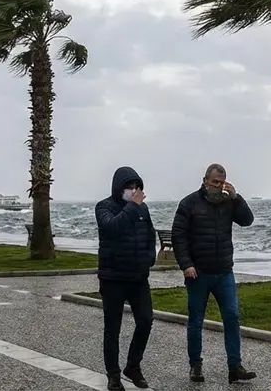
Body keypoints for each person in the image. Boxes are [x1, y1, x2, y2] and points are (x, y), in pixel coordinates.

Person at [172, 163, 257, 385]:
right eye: (214, 182)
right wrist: (186, 264)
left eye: (222, 183)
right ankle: (195, 365)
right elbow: (178, 236)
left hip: (224, 271)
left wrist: (237, 198)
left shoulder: (228, 202)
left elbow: (247, 221)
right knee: (196, 320)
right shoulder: (189, 203)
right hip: (198, 273)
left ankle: (235, 367)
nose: (218, 187)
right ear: (205, 180)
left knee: (232, 316)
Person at [95, 167, 157, 390]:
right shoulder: (104, 207)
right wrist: (132, 206)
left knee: (146, 320)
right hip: (113, 277)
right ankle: (113, 374)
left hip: (138, 277)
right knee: (113, 328)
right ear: (119, 187)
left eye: (136, 186)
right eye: (129, 186)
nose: (133, 190)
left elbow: (150, 236)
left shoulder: (143, 209)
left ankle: (133, 365)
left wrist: (150, 259)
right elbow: (112, 228)